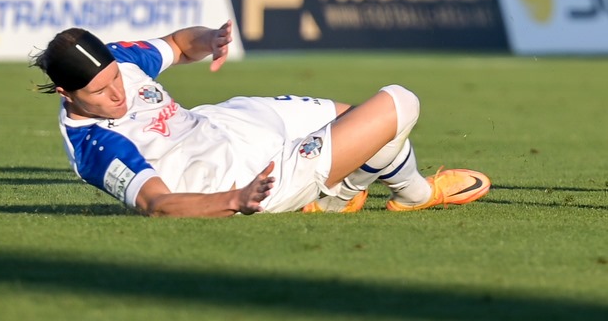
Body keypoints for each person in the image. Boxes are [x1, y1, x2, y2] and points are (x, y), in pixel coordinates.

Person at [34, 24, 490, 217]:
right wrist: (234, 199)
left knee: (356, 120)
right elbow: (158, 204)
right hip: (244, 177)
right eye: (99, 91)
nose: (118, 93)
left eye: (115, 78)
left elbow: (177, 43)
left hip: (229, 124)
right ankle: (415, 194)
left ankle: (341, 194)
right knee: (398, 103)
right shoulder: (95, 145)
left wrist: (209, 38)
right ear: (65, 93)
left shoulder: (120, 62)